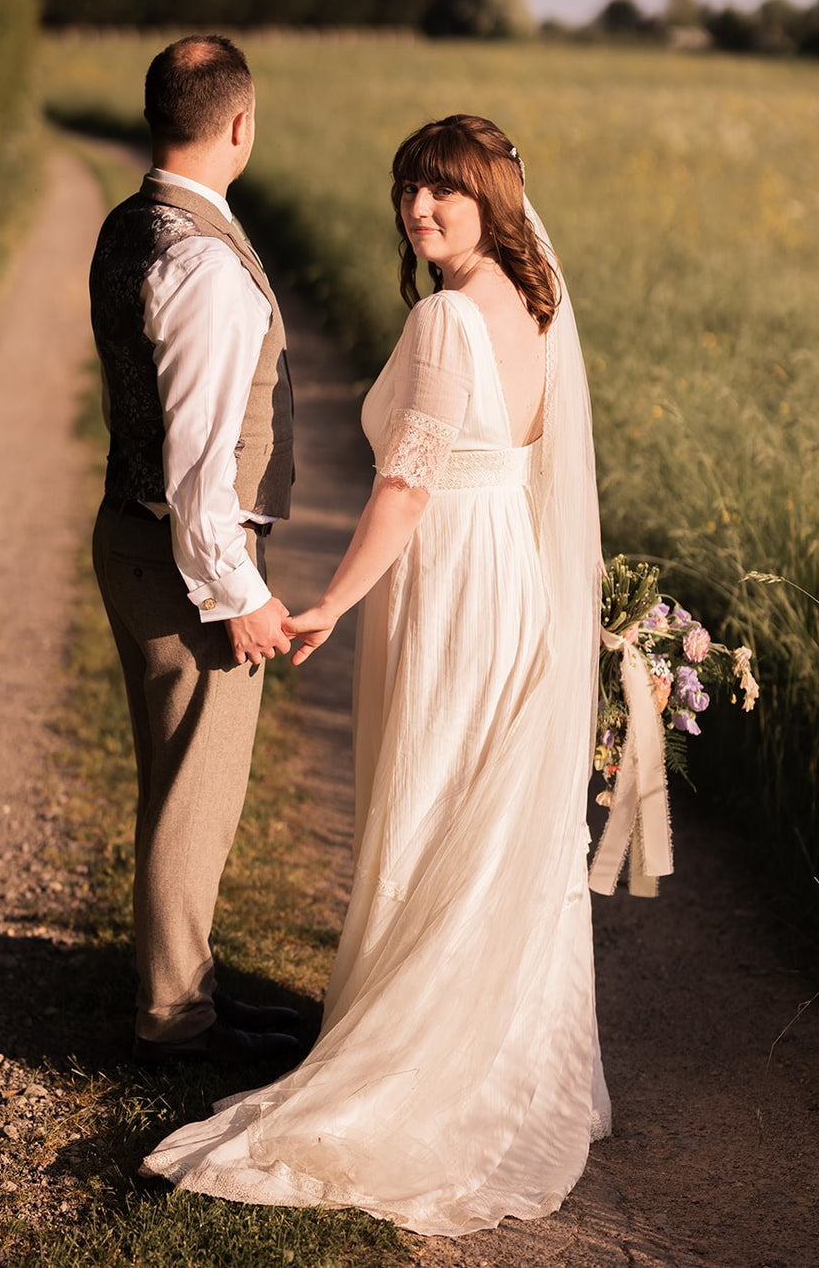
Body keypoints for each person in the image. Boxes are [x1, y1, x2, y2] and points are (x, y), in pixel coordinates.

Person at [140, 114, 611, 1234]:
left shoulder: (451, 316)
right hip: (507, 579)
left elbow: (406, 489)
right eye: (407, 191)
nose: (418, 211)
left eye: (443, 192)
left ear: (495, 196)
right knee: (474, 811)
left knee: (434, 791)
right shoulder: (534, 305)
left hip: (449, 579)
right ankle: (500, 1041)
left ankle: (417, 1047)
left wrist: (332, 604)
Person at [89, 35, 302, 1067]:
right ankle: (176, 1023)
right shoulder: (207, 265)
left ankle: (192, 992)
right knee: (195, 798)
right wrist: (239, 593)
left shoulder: (132, 225)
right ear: (240, 125)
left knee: (176, 781)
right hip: (185, 561)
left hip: (128, 537)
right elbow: (204, 466)